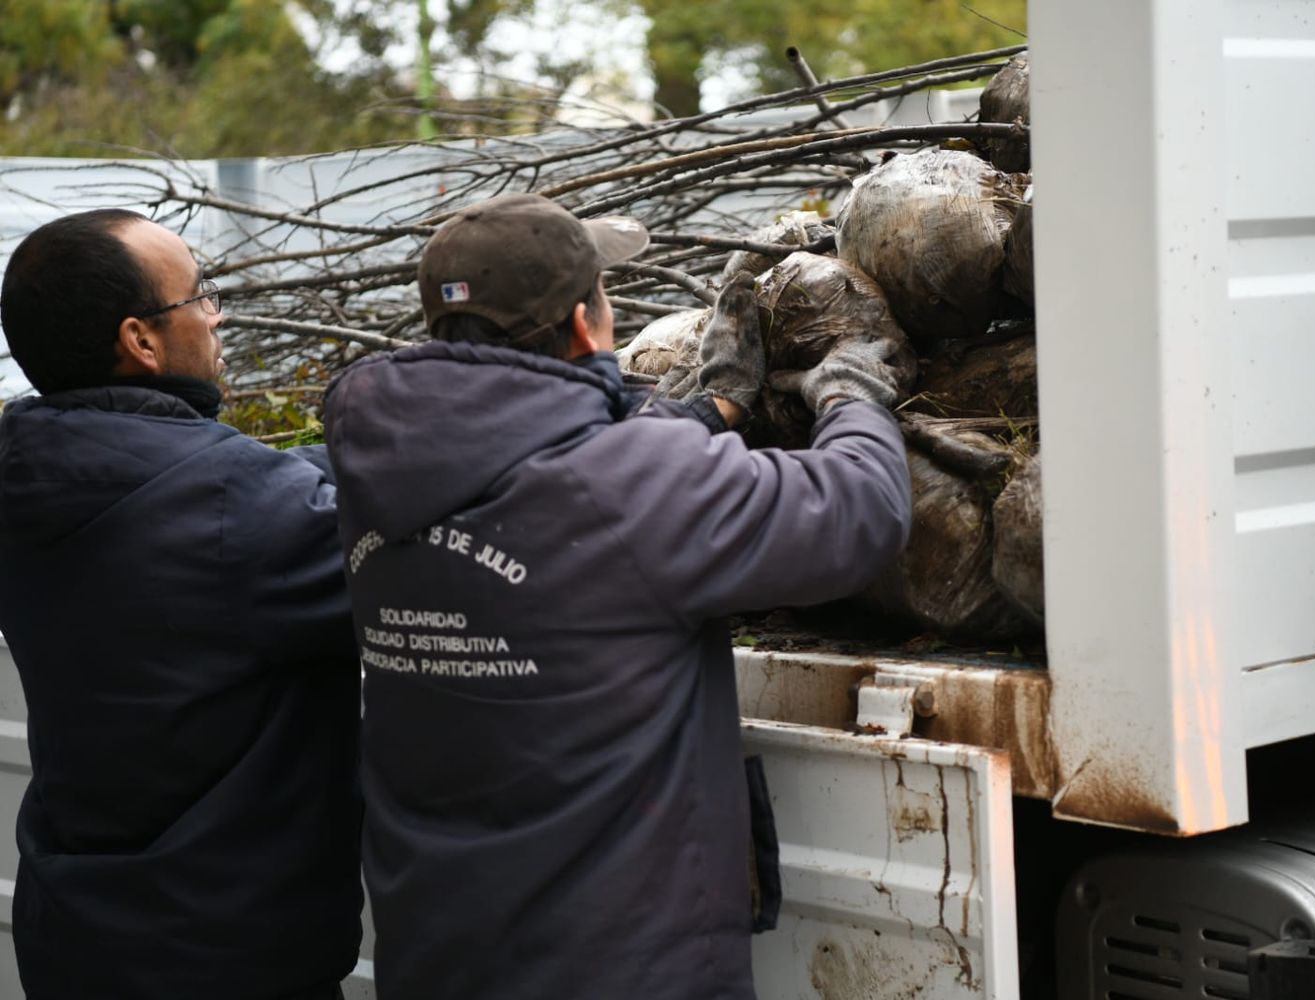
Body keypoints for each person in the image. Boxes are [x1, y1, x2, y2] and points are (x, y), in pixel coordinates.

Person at [321, 192, 913, 1000]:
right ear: (582, 324)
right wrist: (851, 395)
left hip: (440, 946)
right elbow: (857, 512)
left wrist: (709, 410)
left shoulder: (371, 467)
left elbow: (554, 467)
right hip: (621, 963)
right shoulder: (626, 485)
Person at [0, 209, 362, 999]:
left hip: (73, 937)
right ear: (141, 340)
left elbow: (243, 491)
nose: (216, 313)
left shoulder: (23, 478)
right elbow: (424, 530)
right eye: (201, 295)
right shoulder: (239, 510)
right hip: (226, 953)